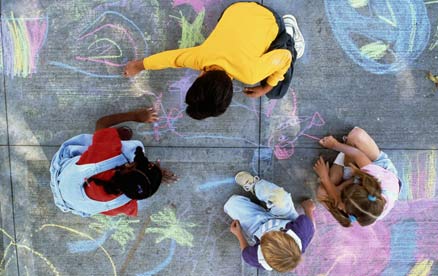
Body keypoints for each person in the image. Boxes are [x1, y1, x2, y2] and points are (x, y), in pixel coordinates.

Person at [123, 2, 305, 120]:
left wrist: (267, 87)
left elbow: (285, 57)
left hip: (268, 18)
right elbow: (169, 59)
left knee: (276, 91)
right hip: (238, 9)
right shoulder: (200, 57)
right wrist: (138, 65)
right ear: (200, 77)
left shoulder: (250, 73)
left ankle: (289, 32)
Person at [50, 108, 178, 217]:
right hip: (69, 202)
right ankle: (108, 138)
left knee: (128, 149)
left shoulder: (103, 158)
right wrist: (155, 178)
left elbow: (102, 123)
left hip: (62, 175)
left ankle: (110, 137)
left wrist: (135, 116)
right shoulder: (124, 203)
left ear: (129, 165)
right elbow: (135, 197)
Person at [224, 171, 315, 272]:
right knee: (280, 197)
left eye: (266, 239)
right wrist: (309, 209)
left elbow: (245, 251)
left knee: (231, 204)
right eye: (275, 234)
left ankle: (254, 206)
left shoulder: (260, 259)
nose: (269, 233)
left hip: (258, 228)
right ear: (286, 235)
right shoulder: (302, 233)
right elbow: (311, 226)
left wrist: (239, 234)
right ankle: (254, 185)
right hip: (285, 217)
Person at [313, 127, 401, 227]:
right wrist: (334, 145)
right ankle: (345, 153)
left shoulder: (362, 214)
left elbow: (336, 199)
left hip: (359, 179)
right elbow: (357, 154)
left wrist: (325, 178)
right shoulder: (378, 178)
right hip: (377, 168)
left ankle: (345, 155)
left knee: (322, 193)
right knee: (356, 135)